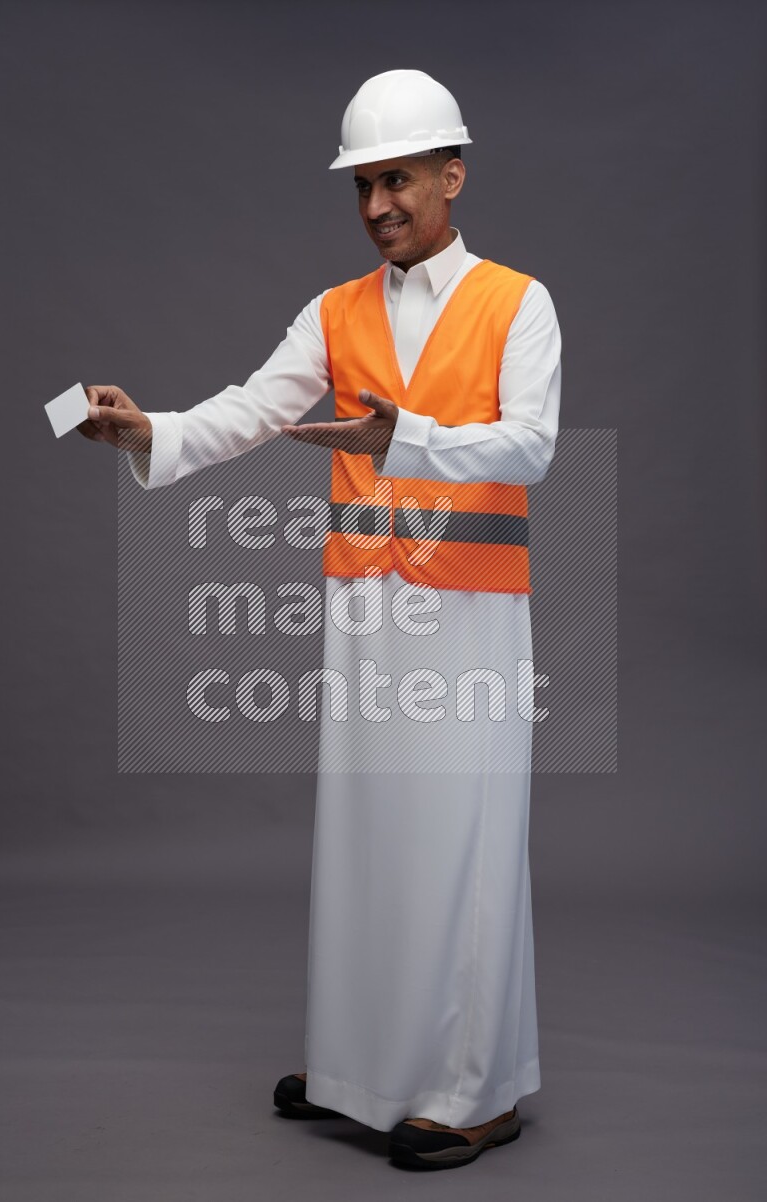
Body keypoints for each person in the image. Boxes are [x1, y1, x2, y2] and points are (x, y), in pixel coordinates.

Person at [78, 68, 561, 1171]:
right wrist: (149, 431)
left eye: (397, 180)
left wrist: (408, 439)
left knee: (463, 843)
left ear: (451, 175)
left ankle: (475, 1091)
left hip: (470, 614)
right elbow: (256, 407)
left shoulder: (517, 302)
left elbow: (531, 444)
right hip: (363, 604)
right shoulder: (336, 310)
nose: (377, 205)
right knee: (367, 835)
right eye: (361, 186)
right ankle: (358, 1069)